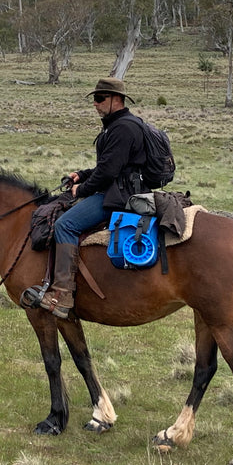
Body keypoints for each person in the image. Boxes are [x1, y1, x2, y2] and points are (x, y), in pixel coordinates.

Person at [38, 77, 149, 319]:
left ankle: (62, 295)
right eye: (95, 99)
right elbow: (110, 165)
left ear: (116, 100)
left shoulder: (123, 128)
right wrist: (82, 175)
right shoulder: (120, 124)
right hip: (120, 187)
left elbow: (109, 172)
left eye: (100, 99)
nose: (95, 104)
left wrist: (83, 189)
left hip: (119, 196)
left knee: (64, 224)